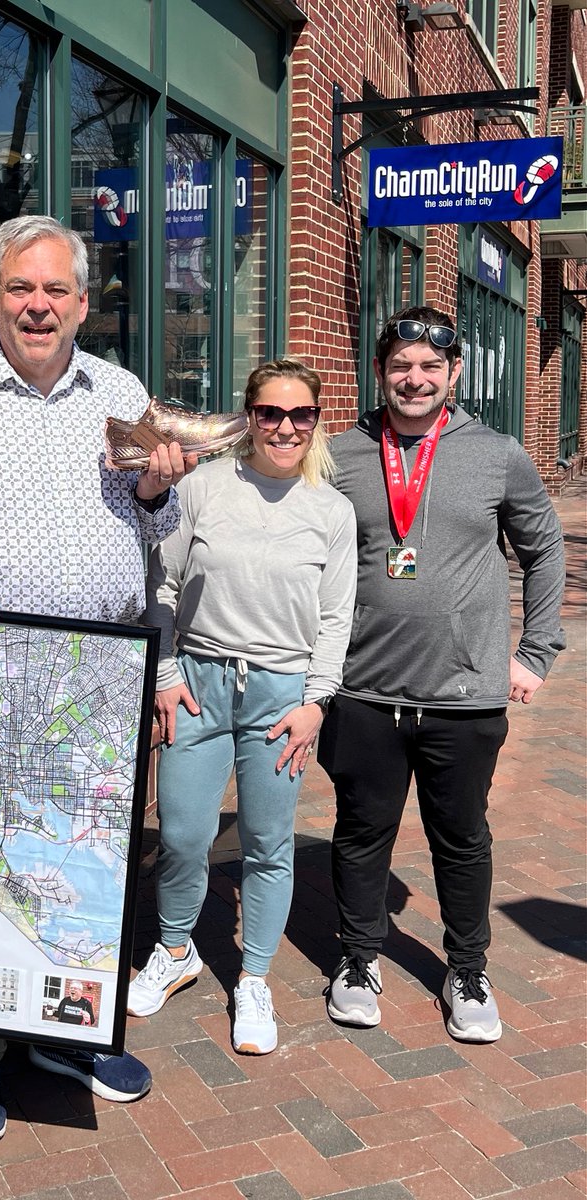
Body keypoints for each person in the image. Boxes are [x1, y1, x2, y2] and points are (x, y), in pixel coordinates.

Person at [0, 214, 197, 1144]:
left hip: (96, 668)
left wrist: (154, 487)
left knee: (85, 863)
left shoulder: (123, 390)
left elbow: (150, 518)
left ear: (84, 305)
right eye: (22, 288)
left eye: (57, 291)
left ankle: (68, 1029)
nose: (39, 305)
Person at [318, 305, 566, 1044]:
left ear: (453, 373)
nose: (414, 379)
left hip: (464, 694)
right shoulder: (339, 455)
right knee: (362, 833)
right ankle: (359, 960)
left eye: (430, 367)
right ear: (380, 372)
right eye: (400, 366)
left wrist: (535, 652)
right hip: (363, 689)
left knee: (461, 838)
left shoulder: (498, 454)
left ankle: (467, 969)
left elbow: (545, 548)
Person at [127, 358, 358, 1055]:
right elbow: (159, 583)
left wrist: (317, 701)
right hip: (198, 680)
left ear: (316, 423)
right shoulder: (202, 487)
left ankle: (252, 976)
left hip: (280, 693)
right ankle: (175, 951)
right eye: (270, 413)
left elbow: (337, 618)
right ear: (248, 418)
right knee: (184, 834)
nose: (284, 428)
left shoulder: (331, 509)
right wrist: (164, 671)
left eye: (300, 415)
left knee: (266, 842)